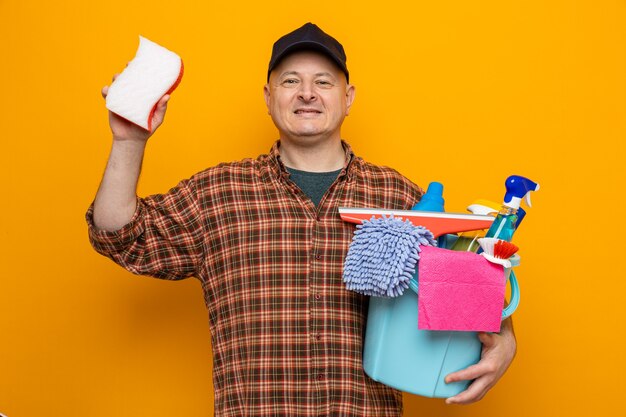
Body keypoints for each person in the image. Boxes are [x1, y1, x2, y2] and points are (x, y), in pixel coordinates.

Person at [87, 23, 516, 416]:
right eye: (291, 81)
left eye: (323, 82)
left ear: (347, 99)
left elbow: (459, 286)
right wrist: (128, 141)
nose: (307, 93)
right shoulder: (216, 193)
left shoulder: (399, 198)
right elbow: (121, 237)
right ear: (268, 96)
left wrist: (506, 338)